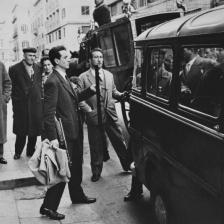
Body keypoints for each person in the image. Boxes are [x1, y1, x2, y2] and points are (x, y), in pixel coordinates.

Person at [40, 45, 96, 220]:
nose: (69, 59)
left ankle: (77, 195)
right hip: (63, 134)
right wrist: (53, 139)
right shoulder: (52, 81)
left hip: (75, 129)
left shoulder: (63, 78)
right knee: (63, 170)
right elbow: (48, 114)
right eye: (65, 57)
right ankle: (48, 207)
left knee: (76, 165)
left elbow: (72, 99)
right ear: (57, 60)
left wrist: (89, 91)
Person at [79, 48, 130, 182]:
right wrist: (89, 110)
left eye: (101, 57)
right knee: (95, 145)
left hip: (109, 113)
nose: (99, 59)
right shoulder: (83, 77)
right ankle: (96, 171)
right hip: (94, 115)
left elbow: (113, 91)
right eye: (95, 57)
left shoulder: (108, 75)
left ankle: (127, 165)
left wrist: (121, 95)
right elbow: (79, 98)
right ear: (90, 60)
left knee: (119, 140)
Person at [9, 47, 43, 159]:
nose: (32, 58)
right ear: (24, 56)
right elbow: (11, 87)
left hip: (35, 104)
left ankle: (30, 150)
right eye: (30, 55)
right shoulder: (14, 69)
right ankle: (18, 152)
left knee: (33, 129)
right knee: (21, 130)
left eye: (34, 56)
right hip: (21, 105)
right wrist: (16, 102)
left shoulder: (39, 67)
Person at [0, 61, 12, 164]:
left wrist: (5, 97)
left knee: (0, 130)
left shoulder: (0, 65)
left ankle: (0, 155)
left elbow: (7, 82)